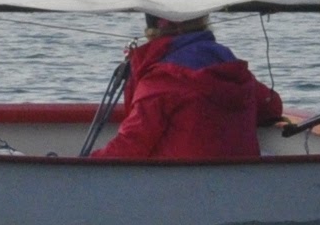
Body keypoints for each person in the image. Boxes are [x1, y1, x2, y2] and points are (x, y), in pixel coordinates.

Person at [89, 12, 283, 162]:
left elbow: (131, 145)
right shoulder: (230, 64)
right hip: (241, 186)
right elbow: (272, 107)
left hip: (179, 190)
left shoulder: (161, 80)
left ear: (152, 31)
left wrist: (88, 162)